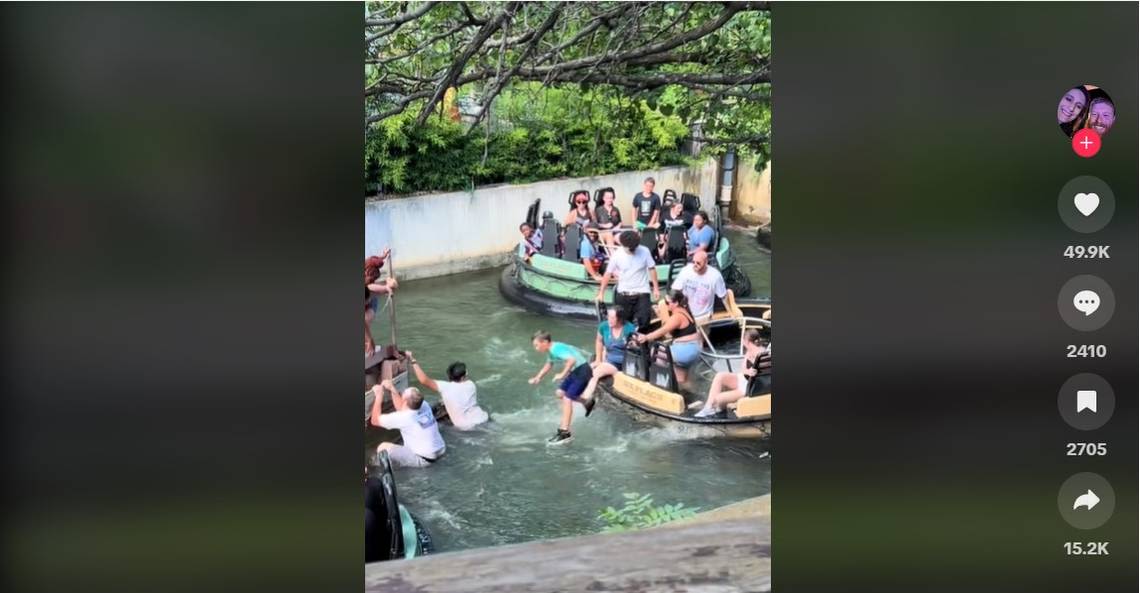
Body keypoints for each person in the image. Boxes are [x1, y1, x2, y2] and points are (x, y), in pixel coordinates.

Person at [528, 330, 594, 444]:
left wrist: (562, 374)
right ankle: (587, 402)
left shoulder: (555, 348)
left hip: (583, 371)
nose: (536, 348)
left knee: (567, 399)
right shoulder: (551, 350)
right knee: (560, 393)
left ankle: (565, 432)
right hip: (576, 371)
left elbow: (571, 360)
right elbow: (549, 364)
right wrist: (538, 377)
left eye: (536, 345)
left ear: (544, 342)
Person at [691, 329, 769, 417]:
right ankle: (708, 407)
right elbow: (743, 368)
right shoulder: (749, 350)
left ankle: (716, 408)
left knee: (717, 399)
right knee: (720, 376)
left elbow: (765, 372)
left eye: (743, 340)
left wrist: (755, 372)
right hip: (742, 378)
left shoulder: (763, 354)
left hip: (748, 386)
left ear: (746, 341)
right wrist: (747, 371)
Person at [369, 379, 446, 468]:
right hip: (440, 450)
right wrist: (392, 389)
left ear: (404, 400)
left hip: (423, 459)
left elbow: (374, 421)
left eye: (403, 393)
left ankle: (379, 469)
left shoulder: (403, 418)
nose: (402, 392)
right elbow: (402, 408)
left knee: (382, 447)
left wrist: (379, 396)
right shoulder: (424, 405)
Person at [404, 350, 488, 430]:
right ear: (462, 377)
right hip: (483, 418)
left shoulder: (446, 387)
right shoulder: (471, 384)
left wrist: (413, 360)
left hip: (465, 428)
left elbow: (424, 380)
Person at [632, 291, 702, 385]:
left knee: (656, 351)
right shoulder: (685, 311)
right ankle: (688, 395)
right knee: (681, 380)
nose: (666, 305)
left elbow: (663, 330)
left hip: (685, 350)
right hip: (693, 349)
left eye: (667, 302)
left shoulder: (677, 316)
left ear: (676, 303)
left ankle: (661, 382)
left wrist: (646, 337)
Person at [596, 230, 660, 331]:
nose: (632, 250)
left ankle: (643, 343)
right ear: (623, 245)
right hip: (623, 294)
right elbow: (608, 273)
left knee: (645, 321)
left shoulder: (645, 251)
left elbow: (652, 268)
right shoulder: (617, 255)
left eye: (634, 248)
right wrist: (601, 293)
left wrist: (656, 288)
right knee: (624, 324)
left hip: (642, 292)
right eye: (630, 249)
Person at [579, 305, 638, 407]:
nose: (609, 320)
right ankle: (584, 398)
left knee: (595, 373)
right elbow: (599, 341)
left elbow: (636, 348)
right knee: (591, 372)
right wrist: (598, 359)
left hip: (626, 362)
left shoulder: (629, 328)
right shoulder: (604, 326)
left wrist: (634, 344)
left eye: (612, 318)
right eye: (608, 317)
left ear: (619, 319)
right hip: (612, 361)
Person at [670, 250, 727, 320]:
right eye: (693, 262)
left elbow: (723, 296)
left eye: (698, 263)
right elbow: (675, 290)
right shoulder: (685, 271)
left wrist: (731, 312)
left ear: (706, 262)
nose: (695, 265)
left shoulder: (715, 276)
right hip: (686, 313)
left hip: (704, 316)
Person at [365, 248, 397, 355]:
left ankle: (368, 344)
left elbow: (376, 261)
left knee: (366, 320)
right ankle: (367, 343)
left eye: (374, 276)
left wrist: (384, 256)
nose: (372, 277)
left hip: (370, 298)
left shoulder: (369, 283)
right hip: (368, 295)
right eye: (372, 276)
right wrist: (369, 339)